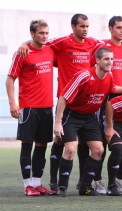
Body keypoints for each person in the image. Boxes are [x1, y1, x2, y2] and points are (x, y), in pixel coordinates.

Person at [18, 13, 106, 193]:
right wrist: (24, 43)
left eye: (87, 26)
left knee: (86, 145)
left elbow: (110, 47)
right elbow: (40, 42)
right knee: (60, 142)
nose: (85, 30)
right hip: (65, 103)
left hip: (87, 104)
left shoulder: (93, 44)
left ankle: (84, 183)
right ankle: (52, 182)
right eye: (82, 26)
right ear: (73, 27)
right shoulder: (61, 43)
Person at [53, 47, 122, 197]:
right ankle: (62, 187)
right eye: (106, 59)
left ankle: (85, 187)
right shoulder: (84, 76)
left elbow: (112, 88)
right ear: (97, 60)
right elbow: (63, 97)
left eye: (112, 59)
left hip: (89, 118)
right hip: (71, 115)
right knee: (70, 149)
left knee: (98, 150)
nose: (110, 62)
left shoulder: (109, 76)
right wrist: (58, 122)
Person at [6, 20, 56, 196]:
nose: (44, 36)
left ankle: (37, 183)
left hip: (46, 107)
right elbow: (10, 79)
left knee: (42, 146)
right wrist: (13, 103)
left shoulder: (50, 50)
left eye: (46, 33)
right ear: (32, 34)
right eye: (41, 33)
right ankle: (27, 185)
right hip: (28, 107)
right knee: (27, 146)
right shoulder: (22, 52)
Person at [91, 15, 122, 195]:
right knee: (101, 141)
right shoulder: (101, 46)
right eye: (118, 27)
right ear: (110, 29)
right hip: (106, 97)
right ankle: (96, 180)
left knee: (120, 142)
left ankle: (118, 179)